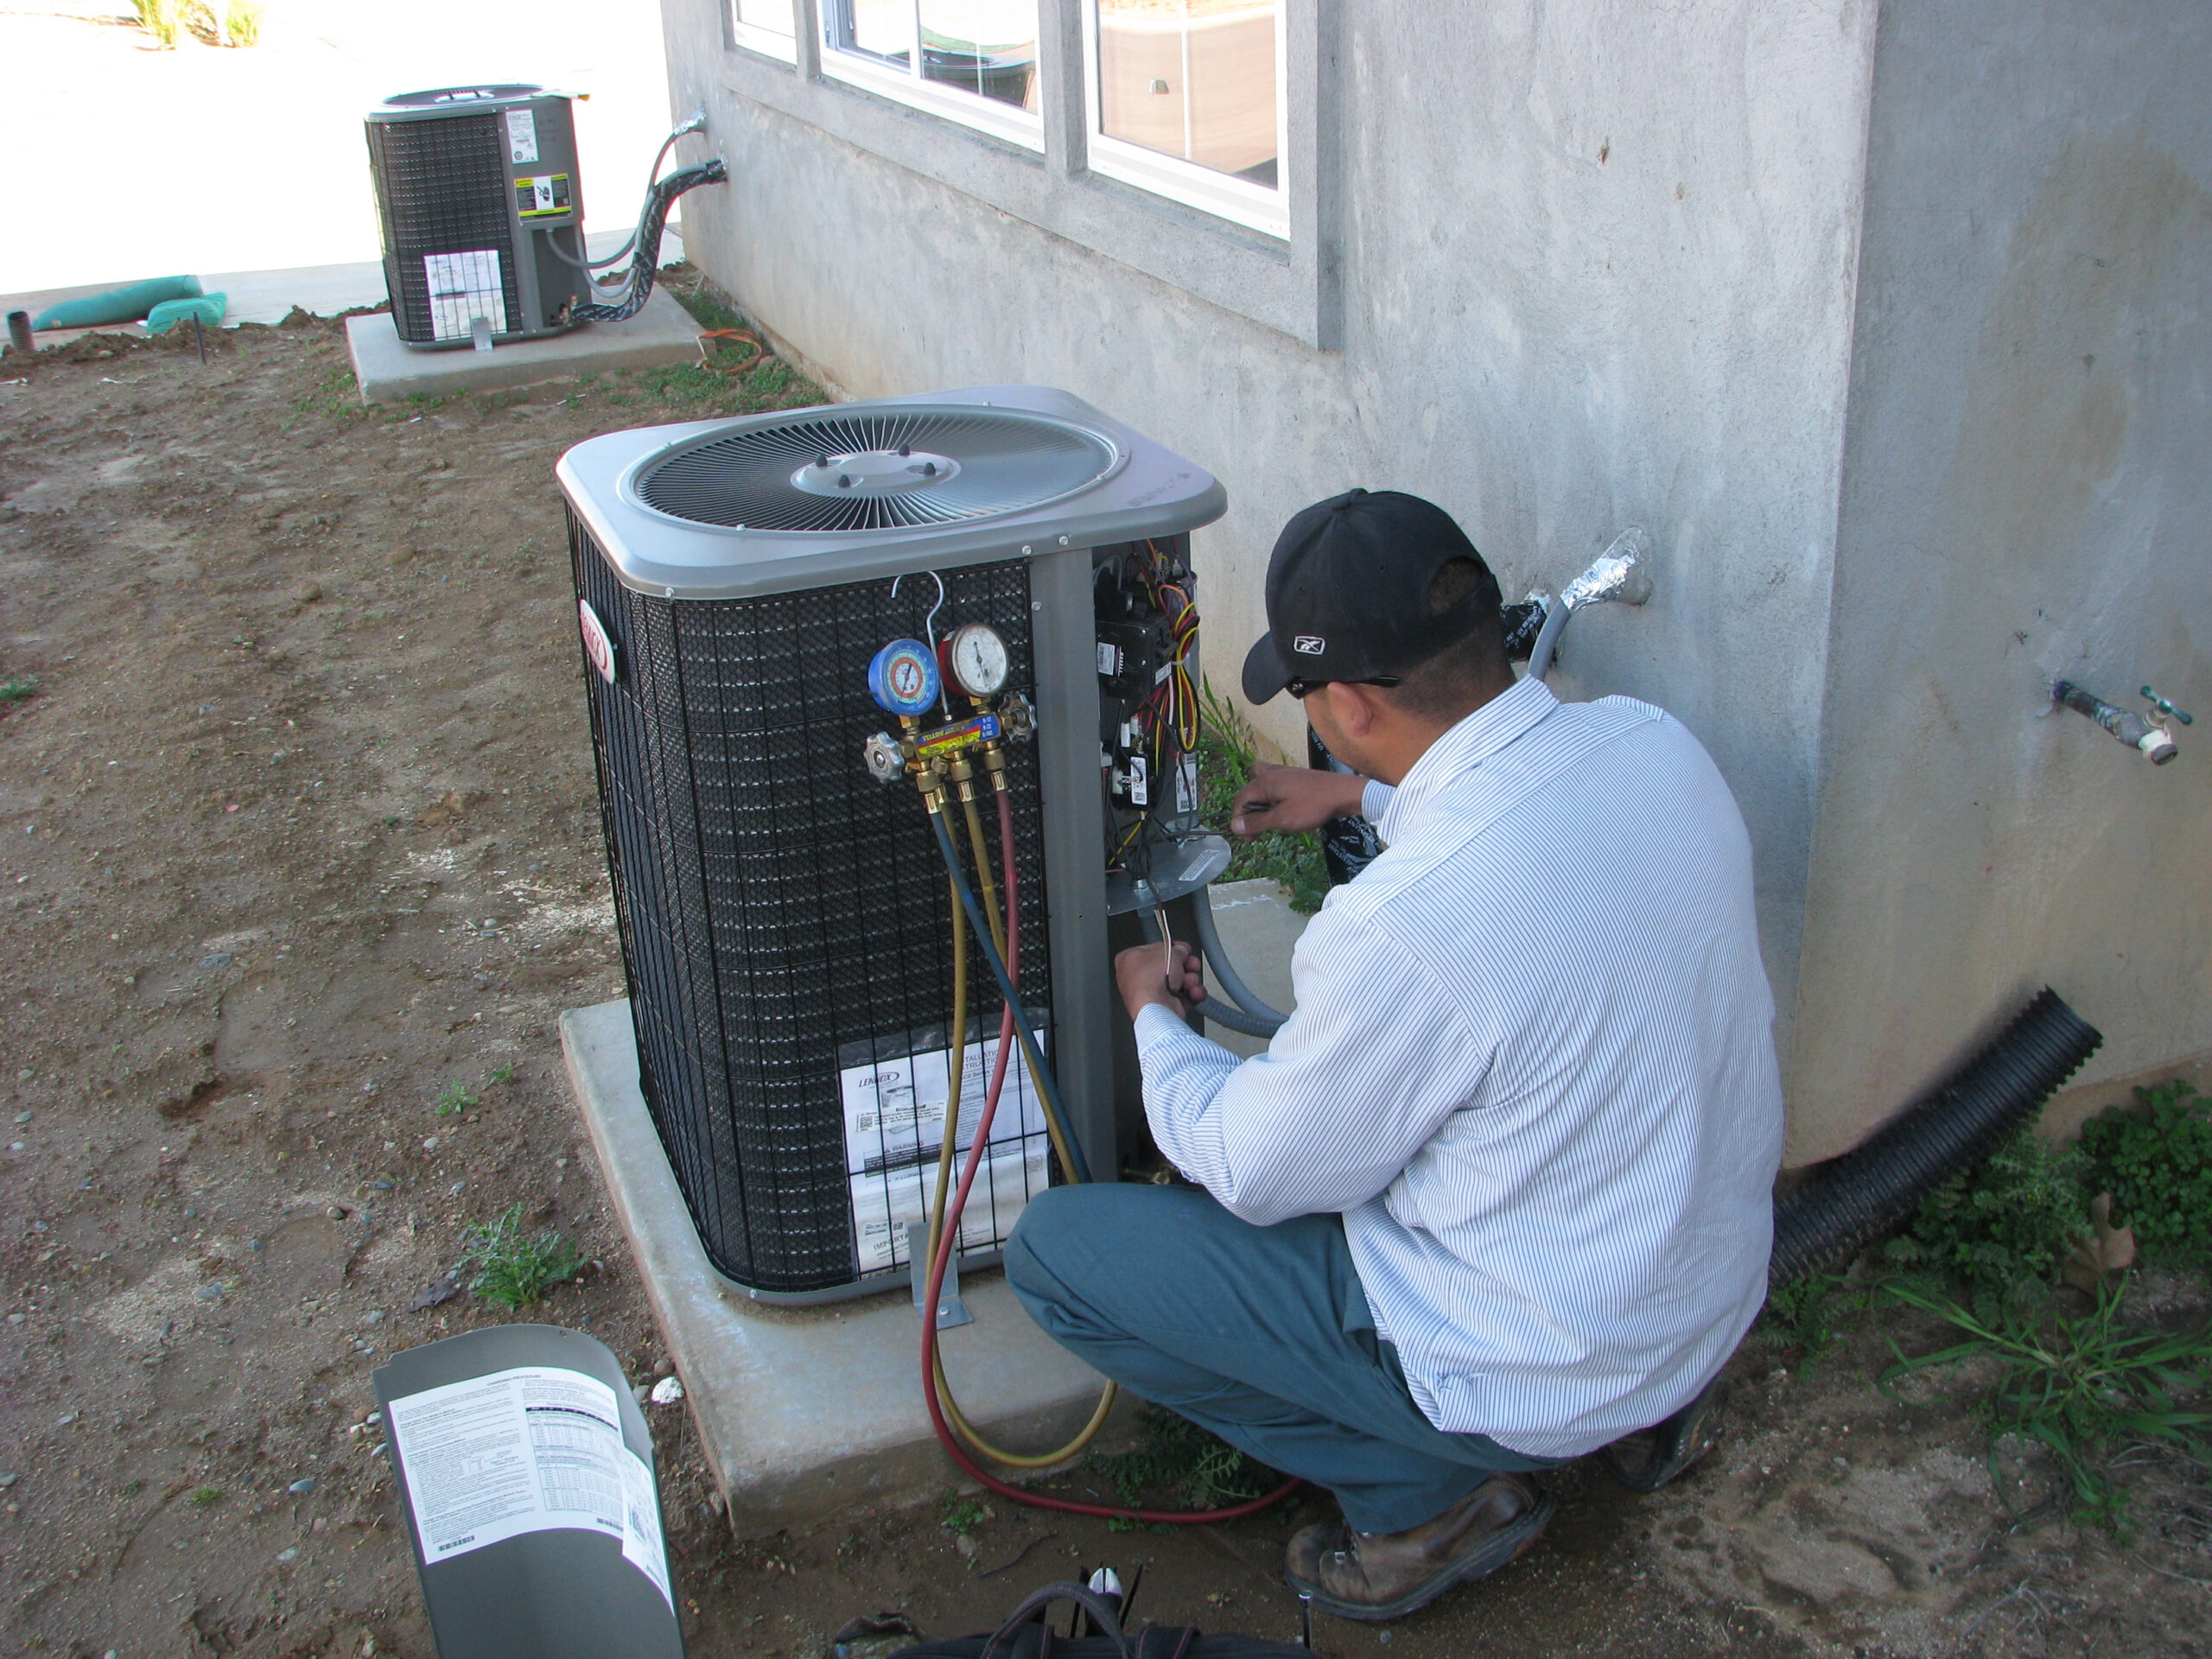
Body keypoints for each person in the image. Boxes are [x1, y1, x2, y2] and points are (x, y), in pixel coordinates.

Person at [1004, 488, 1783, 1622]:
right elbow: (1515, 833)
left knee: (1061, 1253)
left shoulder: (1399, 930)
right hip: (1698, 1301)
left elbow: (1258, 1168)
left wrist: (1152, 1024)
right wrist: (1369, 795)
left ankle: (1427, 1500)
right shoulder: (1651, 745)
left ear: (1352, 703)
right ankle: (1652, 1418)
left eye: (1312, 695)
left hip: (1542, 1355)